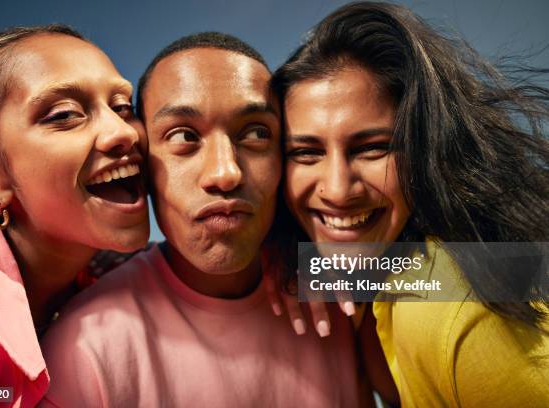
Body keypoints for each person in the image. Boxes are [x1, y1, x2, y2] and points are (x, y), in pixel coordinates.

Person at [40, 32, 373, 407]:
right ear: (141, 163)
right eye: (184, 136)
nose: (225, 172)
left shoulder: (336, 281)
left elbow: (440, 274)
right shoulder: (82, 350)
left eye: (255, 134)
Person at [268, 1, 548, 406]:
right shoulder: (382, 270)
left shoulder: (455, 313)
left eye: (373, 148)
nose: (338, 188)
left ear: (427, 147)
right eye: (306, 153)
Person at [0, 25, 149, 407]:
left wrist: (295, 266)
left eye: (122, 107)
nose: (124, 132)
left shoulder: (110, 268)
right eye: (64, 114)